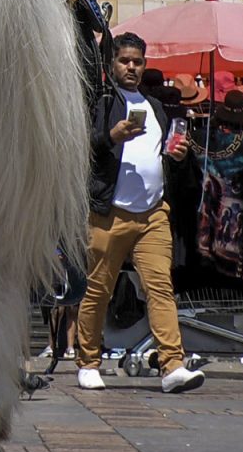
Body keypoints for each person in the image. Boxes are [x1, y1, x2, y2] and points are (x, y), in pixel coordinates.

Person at [74, 34, 204, 394]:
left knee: (160, 287)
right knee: (98, 289)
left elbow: (163, 156)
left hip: (152, 213)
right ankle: (87, 361)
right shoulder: (101, 103)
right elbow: (82, 148)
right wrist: (111, 137)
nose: (131, 67)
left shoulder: (156, 107)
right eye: (124, 61)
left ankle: (172, 364)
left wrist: (178, 157)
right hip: (109, 212)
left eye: (137, 62)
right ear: (112, 64)